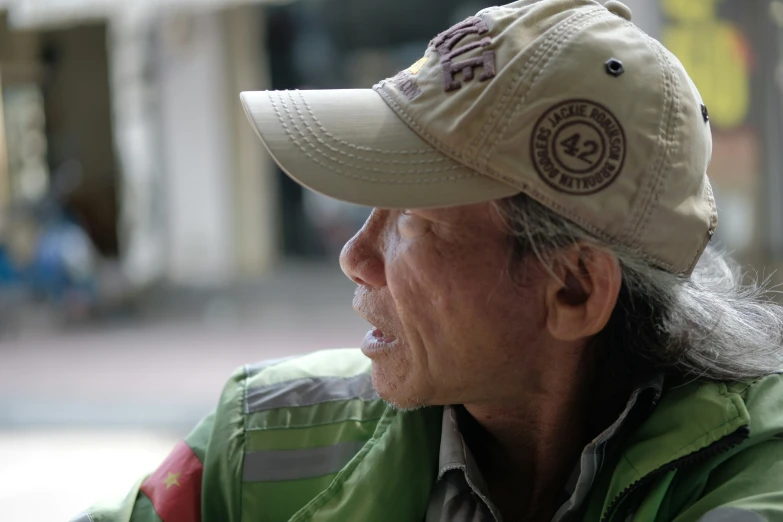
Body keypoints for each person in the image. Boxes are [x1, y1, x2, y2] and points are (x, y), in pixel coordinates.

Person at [74, 0, 783, 521]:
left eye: (413, 221)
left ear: (573, 289)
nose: (355, 257)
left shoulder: (756, 472)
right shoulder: (257, 440)